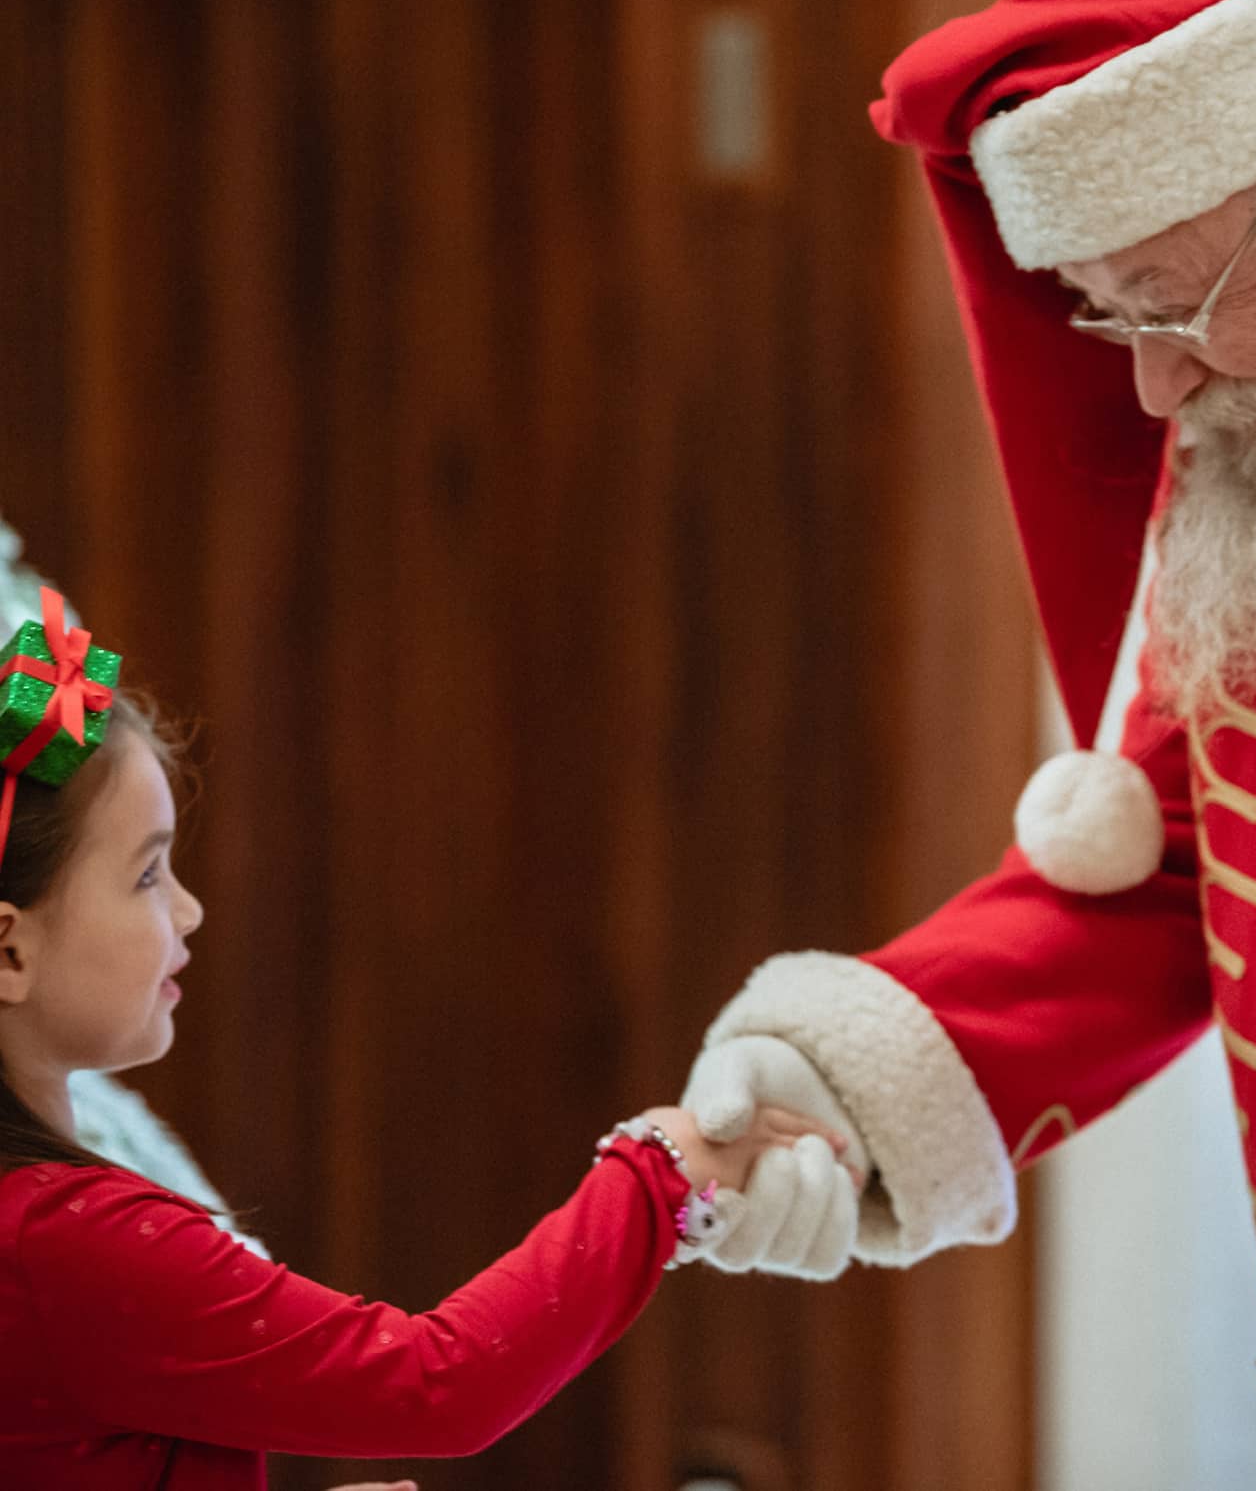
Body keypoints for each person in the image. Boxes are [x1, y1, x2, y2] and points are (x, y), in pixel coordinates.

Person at [677, 0, 1256, 1486]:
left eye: (1179, 303)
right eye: (1105, 317)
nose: (1153, 387)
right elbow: (1175, 847)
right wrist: (836, 1095)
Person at [0, 589, 846, 1489]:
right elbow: (435, 1383)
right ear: (9, 949)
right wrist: (660, 1172)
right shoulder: (65, 1245)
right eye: (146, 874)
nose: (189, 910)